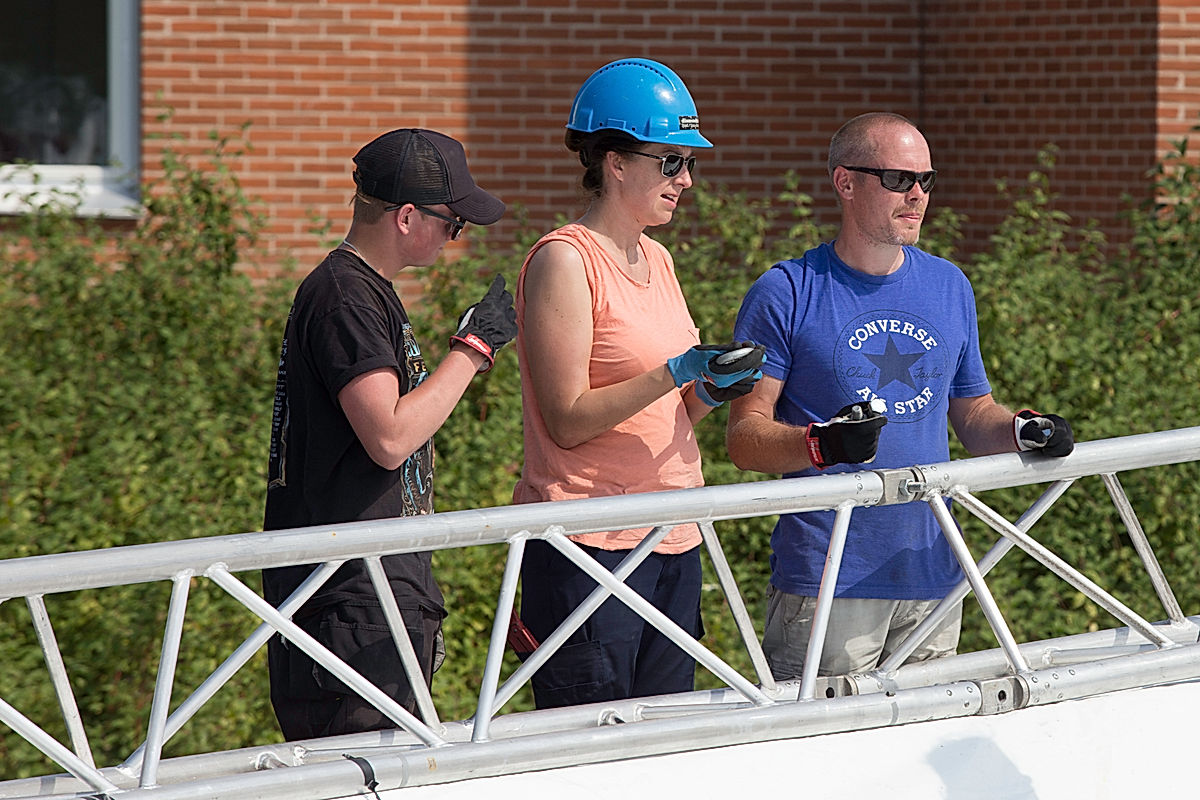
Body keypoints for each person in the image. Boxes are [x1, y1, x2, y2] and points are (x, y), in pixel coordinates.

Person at [726, 111, 1075, 681]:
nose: (917, 195)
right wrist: (822, 444)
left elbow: (973, 414)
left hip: (934, 571)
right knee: (826, 756)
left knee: (923, 756)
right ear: (845, 182)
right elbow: (745, 438)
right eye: (897, 180)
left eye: (927, 181)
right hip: (830, 577)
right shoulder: (785, 291)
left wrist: (1023, 430)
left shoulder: (949, 285)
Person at [512, 58, 765, 709]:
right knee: (591, 752)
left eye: (689, 163)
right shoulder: (565, 260)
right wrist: (674, 371)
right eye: (671, 161)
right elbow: (566, 421)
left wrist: (709, 388)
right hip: (592, 545)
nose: (687, 179)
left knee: (660, 750)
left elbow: (668, 410)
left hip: (671, 534)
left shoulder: (658, 255)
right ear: (615, 162)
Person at [261, 128, 517, 740]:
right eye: (453, 223)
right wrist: (473, 349)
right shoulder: (344, 297)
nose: (456, 238)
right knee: (362, 776)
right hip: (350, 603)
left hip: (368, 597)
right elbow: (390, 436)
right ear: (407, 216)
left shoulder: (362, 293)